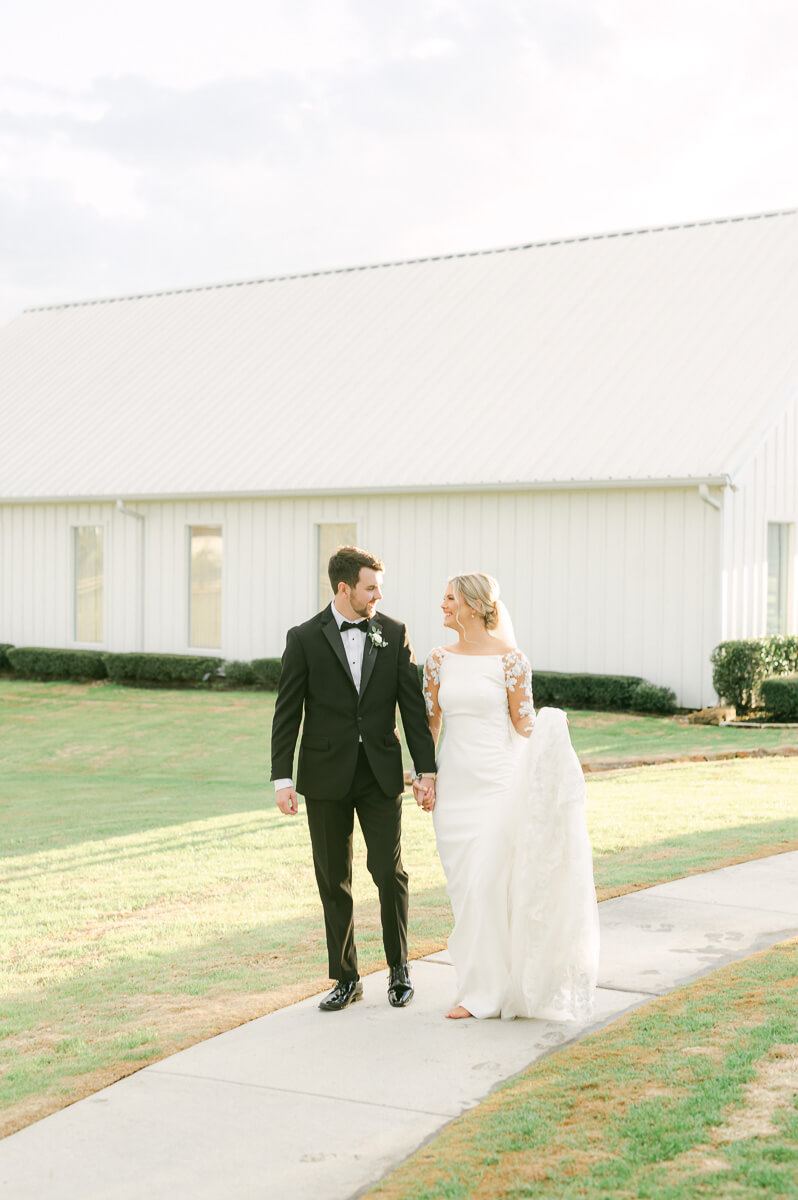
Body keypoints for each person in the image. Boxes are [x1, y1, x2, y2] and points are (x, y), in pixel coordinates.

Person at [421, 572, 599, 1021]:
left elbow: (523, 724)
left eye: (449, 599)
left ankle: (482, 994)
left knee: (487, 885)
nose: (442, 605)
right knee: (466, 891)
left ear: (475, 605)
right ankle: (483, 981)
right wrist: (425, 774)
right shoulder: (437, 659)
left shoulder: (511, 661)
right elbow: (431, 723)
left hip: (499, 787)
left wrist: (552, 731)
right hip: (455, 790)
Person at [271, 546, 438, 1012]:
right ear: (345, 589)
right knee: (333, 878)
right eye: (371, 587)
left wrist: (426, 770)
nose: (378, 595)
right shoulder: (303, 638)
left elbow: (413, 710)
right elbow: (288, 713)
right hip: (325, 777)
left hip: (380, 774)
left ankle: (399, 969)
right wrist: (282, 778)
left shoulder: (394, 632)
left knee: (389, 871)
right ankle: (346, 977)